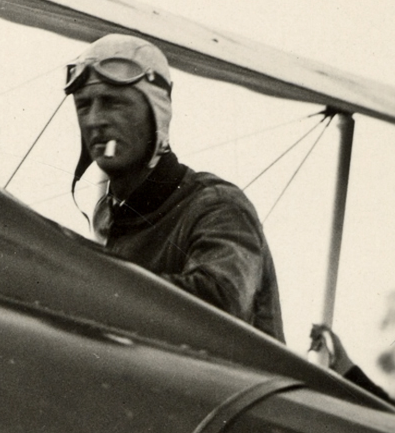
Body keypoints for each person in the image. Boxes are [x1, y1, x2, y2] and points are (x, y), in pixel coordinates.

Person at [64, 33, 285, 340]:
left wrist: (87, 285)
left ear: (157, 114)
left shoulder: (217, 205)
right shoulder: (113, 215)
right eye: (84, 105)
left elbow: (221, 305)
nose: (94, 120)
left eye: (113, 102)